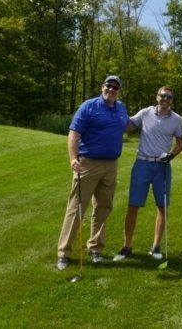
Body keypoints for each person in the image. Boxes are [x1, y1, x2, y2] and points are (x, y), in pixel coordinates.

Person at [56, 75, 130, 270]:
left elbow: (129, 125)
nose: (112, 89)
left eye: (116, 87)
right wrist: (73, 158)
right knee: (77, 207)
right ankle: (64, 253)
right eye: (109, 85)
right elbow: (74, 133)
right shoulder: (89, 106)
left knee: (103, 207)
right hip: (88, 164)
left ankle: (96, 249)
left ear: (119, 91)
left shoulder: (121, 108)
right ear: (102, 86)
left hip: (111, 165)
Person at [113, 86, 182, 262]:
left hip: (162, 166)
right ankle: (127, 246)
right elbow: (129, 126)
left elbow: (180, 142)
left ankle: (156, 247)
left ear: (172, 100)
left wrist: (171, 155)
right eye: (162, 96)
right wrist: (118, 114)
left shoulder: (177, 119)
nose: (165, 99)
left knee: (162, 206)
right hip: (142, 164)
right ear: (157, 96)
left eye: (169, 96)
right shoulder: (145, 113)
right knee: (133, 205)